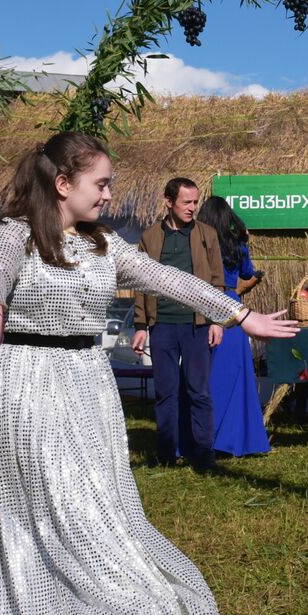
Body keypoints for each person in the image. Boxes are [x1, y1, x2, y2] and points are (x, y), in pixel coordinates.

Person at [0, 132, 298, 615]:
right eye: (102, 184)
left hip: (88, 384)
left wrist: (241, 316)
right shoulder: (14, 236)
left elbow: (172, 281)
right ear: (63, 185)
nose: (110, 195)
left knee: (102, 507)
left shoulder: (104, 247)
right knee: (60, 507)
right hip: (29, 385)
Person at [130, 178, 228, 470]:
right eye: (187, 202)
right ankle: (166, 454)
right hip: (163, 326)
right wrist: (140, 325)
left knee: (198, 391)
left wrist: (217, 321)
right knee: (166, 393)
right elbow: (140, 282)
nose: (193, 208)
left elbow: (216, 282)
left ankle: (203, 453)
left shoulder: (207, 235)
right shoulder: (150, 237)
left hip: (198, 325)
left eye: (195, 202)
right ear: (169, 201)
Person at [197, 196, 270, 457]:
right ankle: (237, 439)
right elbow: (248, 274)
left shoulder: (198, 243)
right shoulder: (237, 245)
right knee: (238, 376)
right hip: (232, 307)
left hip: (203, 303)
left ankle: (203, 436)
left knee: (205, 376)